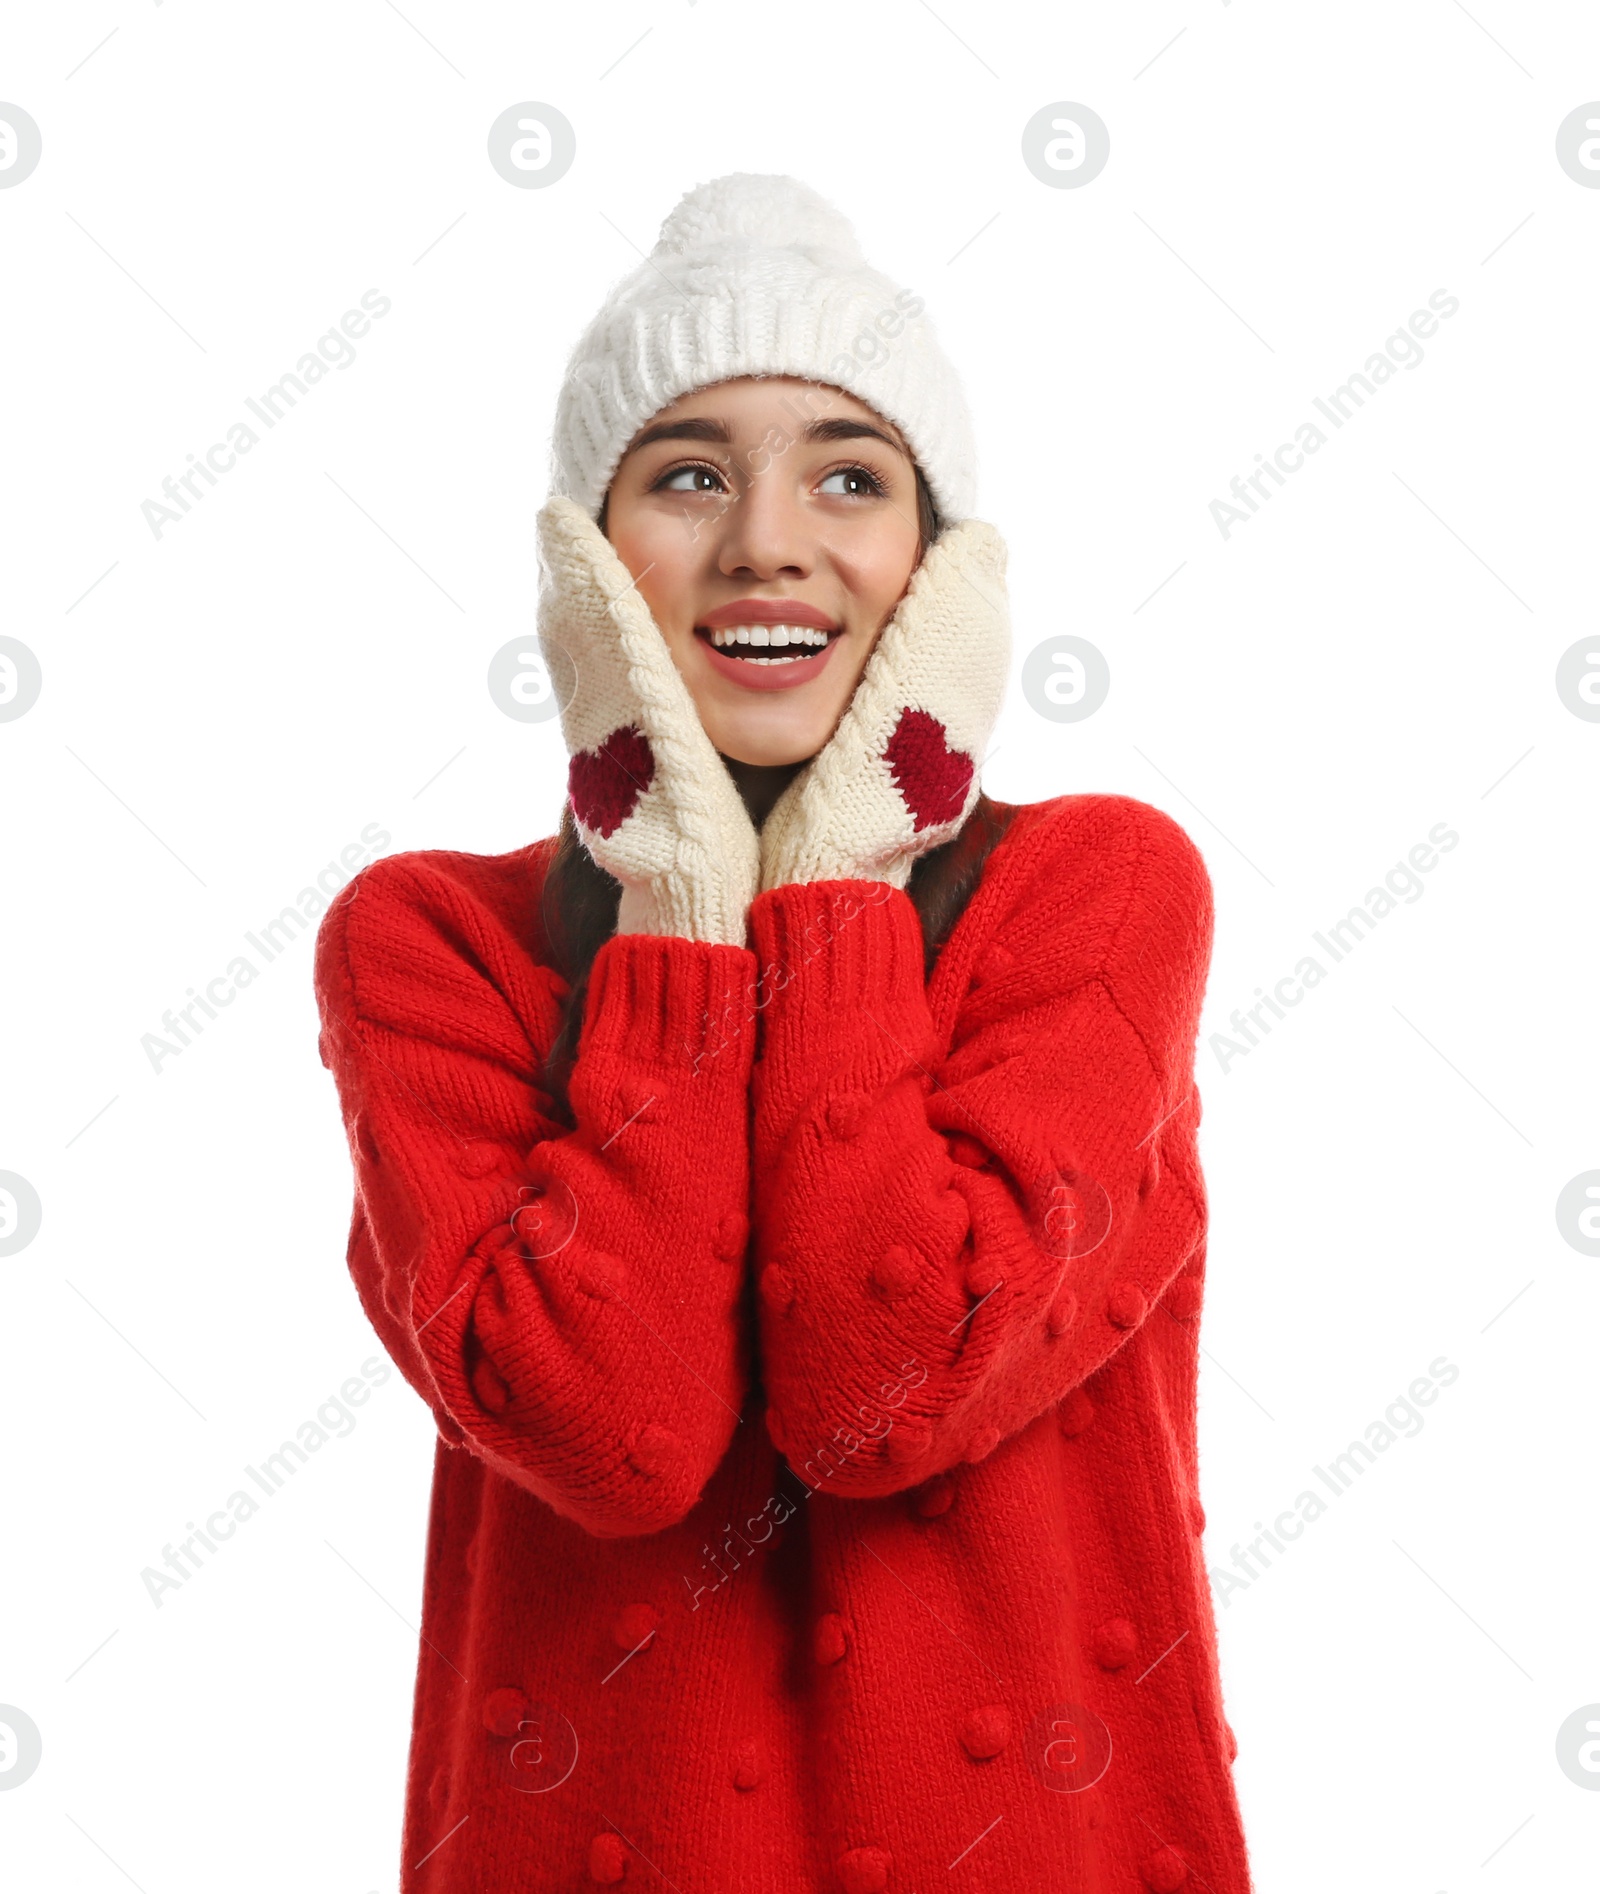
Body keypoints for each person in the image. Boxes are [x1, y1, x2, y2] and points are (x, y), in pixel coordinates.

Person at [314, 172, 1254, 1894]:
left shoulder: (1100, 893)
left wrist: (836, 879)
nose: (764, 540)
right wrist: (682, 901)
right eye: (687, 476)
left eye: (849, 474)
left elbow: (884, 1392)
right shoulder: (431, 945)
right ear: (590, 569)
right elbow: (621, 1431)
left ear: (940, 569)